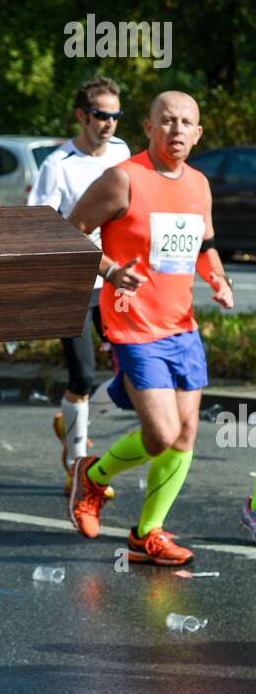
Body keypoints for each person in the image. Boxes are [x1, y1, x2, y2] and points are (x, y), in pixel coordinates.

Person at [67, 92, 233, 565]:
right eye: (167, 121)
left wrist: (216, 278)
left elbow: (205, 245)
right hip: (133, 325)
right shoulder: (123, 179)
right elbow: (72, 231)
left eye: (186, 123)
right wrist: (111, 270)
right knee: (160, 434)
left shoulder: (199, 184)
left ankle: (147, 533)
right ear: (148, 127)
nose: (177, 130)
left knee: (185, 436)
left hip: (182, 326)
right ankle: (94, 476)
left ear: (198, 133)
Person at [28, 77, 130, 495]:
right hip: (73, 282)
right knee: (84, 375)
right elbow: (40, 223)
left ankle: (70, 416)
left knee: (131, 375)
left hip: (116, 279)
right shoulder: (58, 163)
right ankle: (77, 463)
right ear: (81, 116)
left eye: (115, 116)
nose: (108, 124)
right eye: (101, 116)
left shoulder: (123, 153)